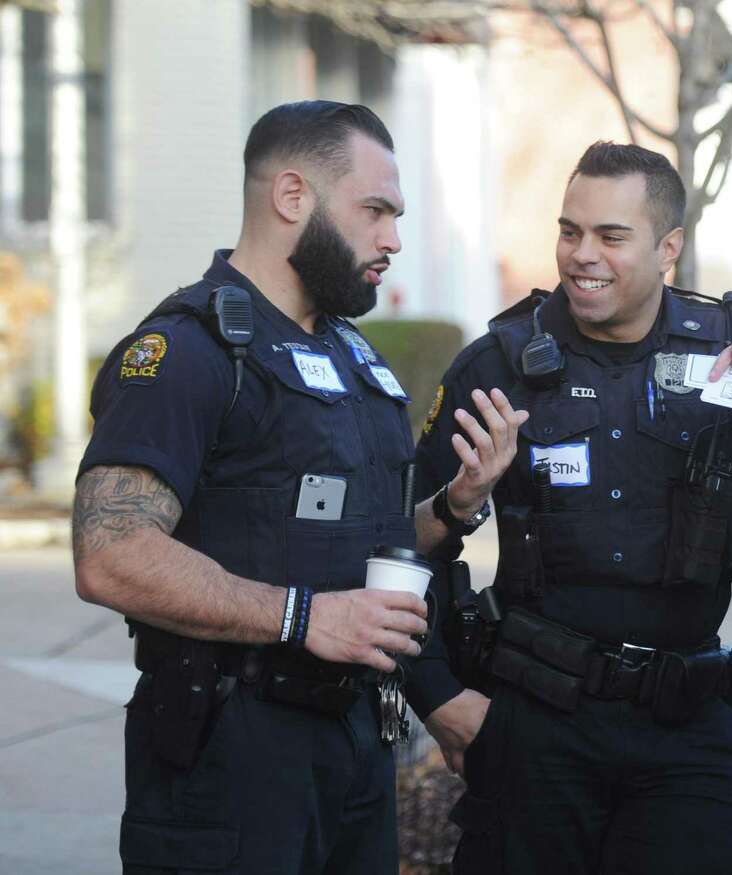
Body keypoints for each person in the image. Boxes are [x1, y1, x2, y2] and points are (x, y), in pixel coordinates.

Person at [407, 141, 732, 874]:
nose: (581, 255)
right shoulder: (497, 364)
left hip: (685, 728)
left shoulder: (731, 336)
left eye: (611, 236)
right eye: (570, 230)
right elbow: (398, 543)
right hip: (535, 725)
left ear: (669, 248)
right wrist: (437, 695)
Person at [72, 101, 526, 874]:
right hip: (228, 752)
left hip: (353, 743)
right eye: (375, 210)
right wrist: (302, 616)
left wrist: (454, 503)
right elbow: (109, 553)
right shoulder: (189, 350)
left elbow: (361, 541)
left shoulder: (353, 356)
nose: (393, 239)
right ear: (292, 197)